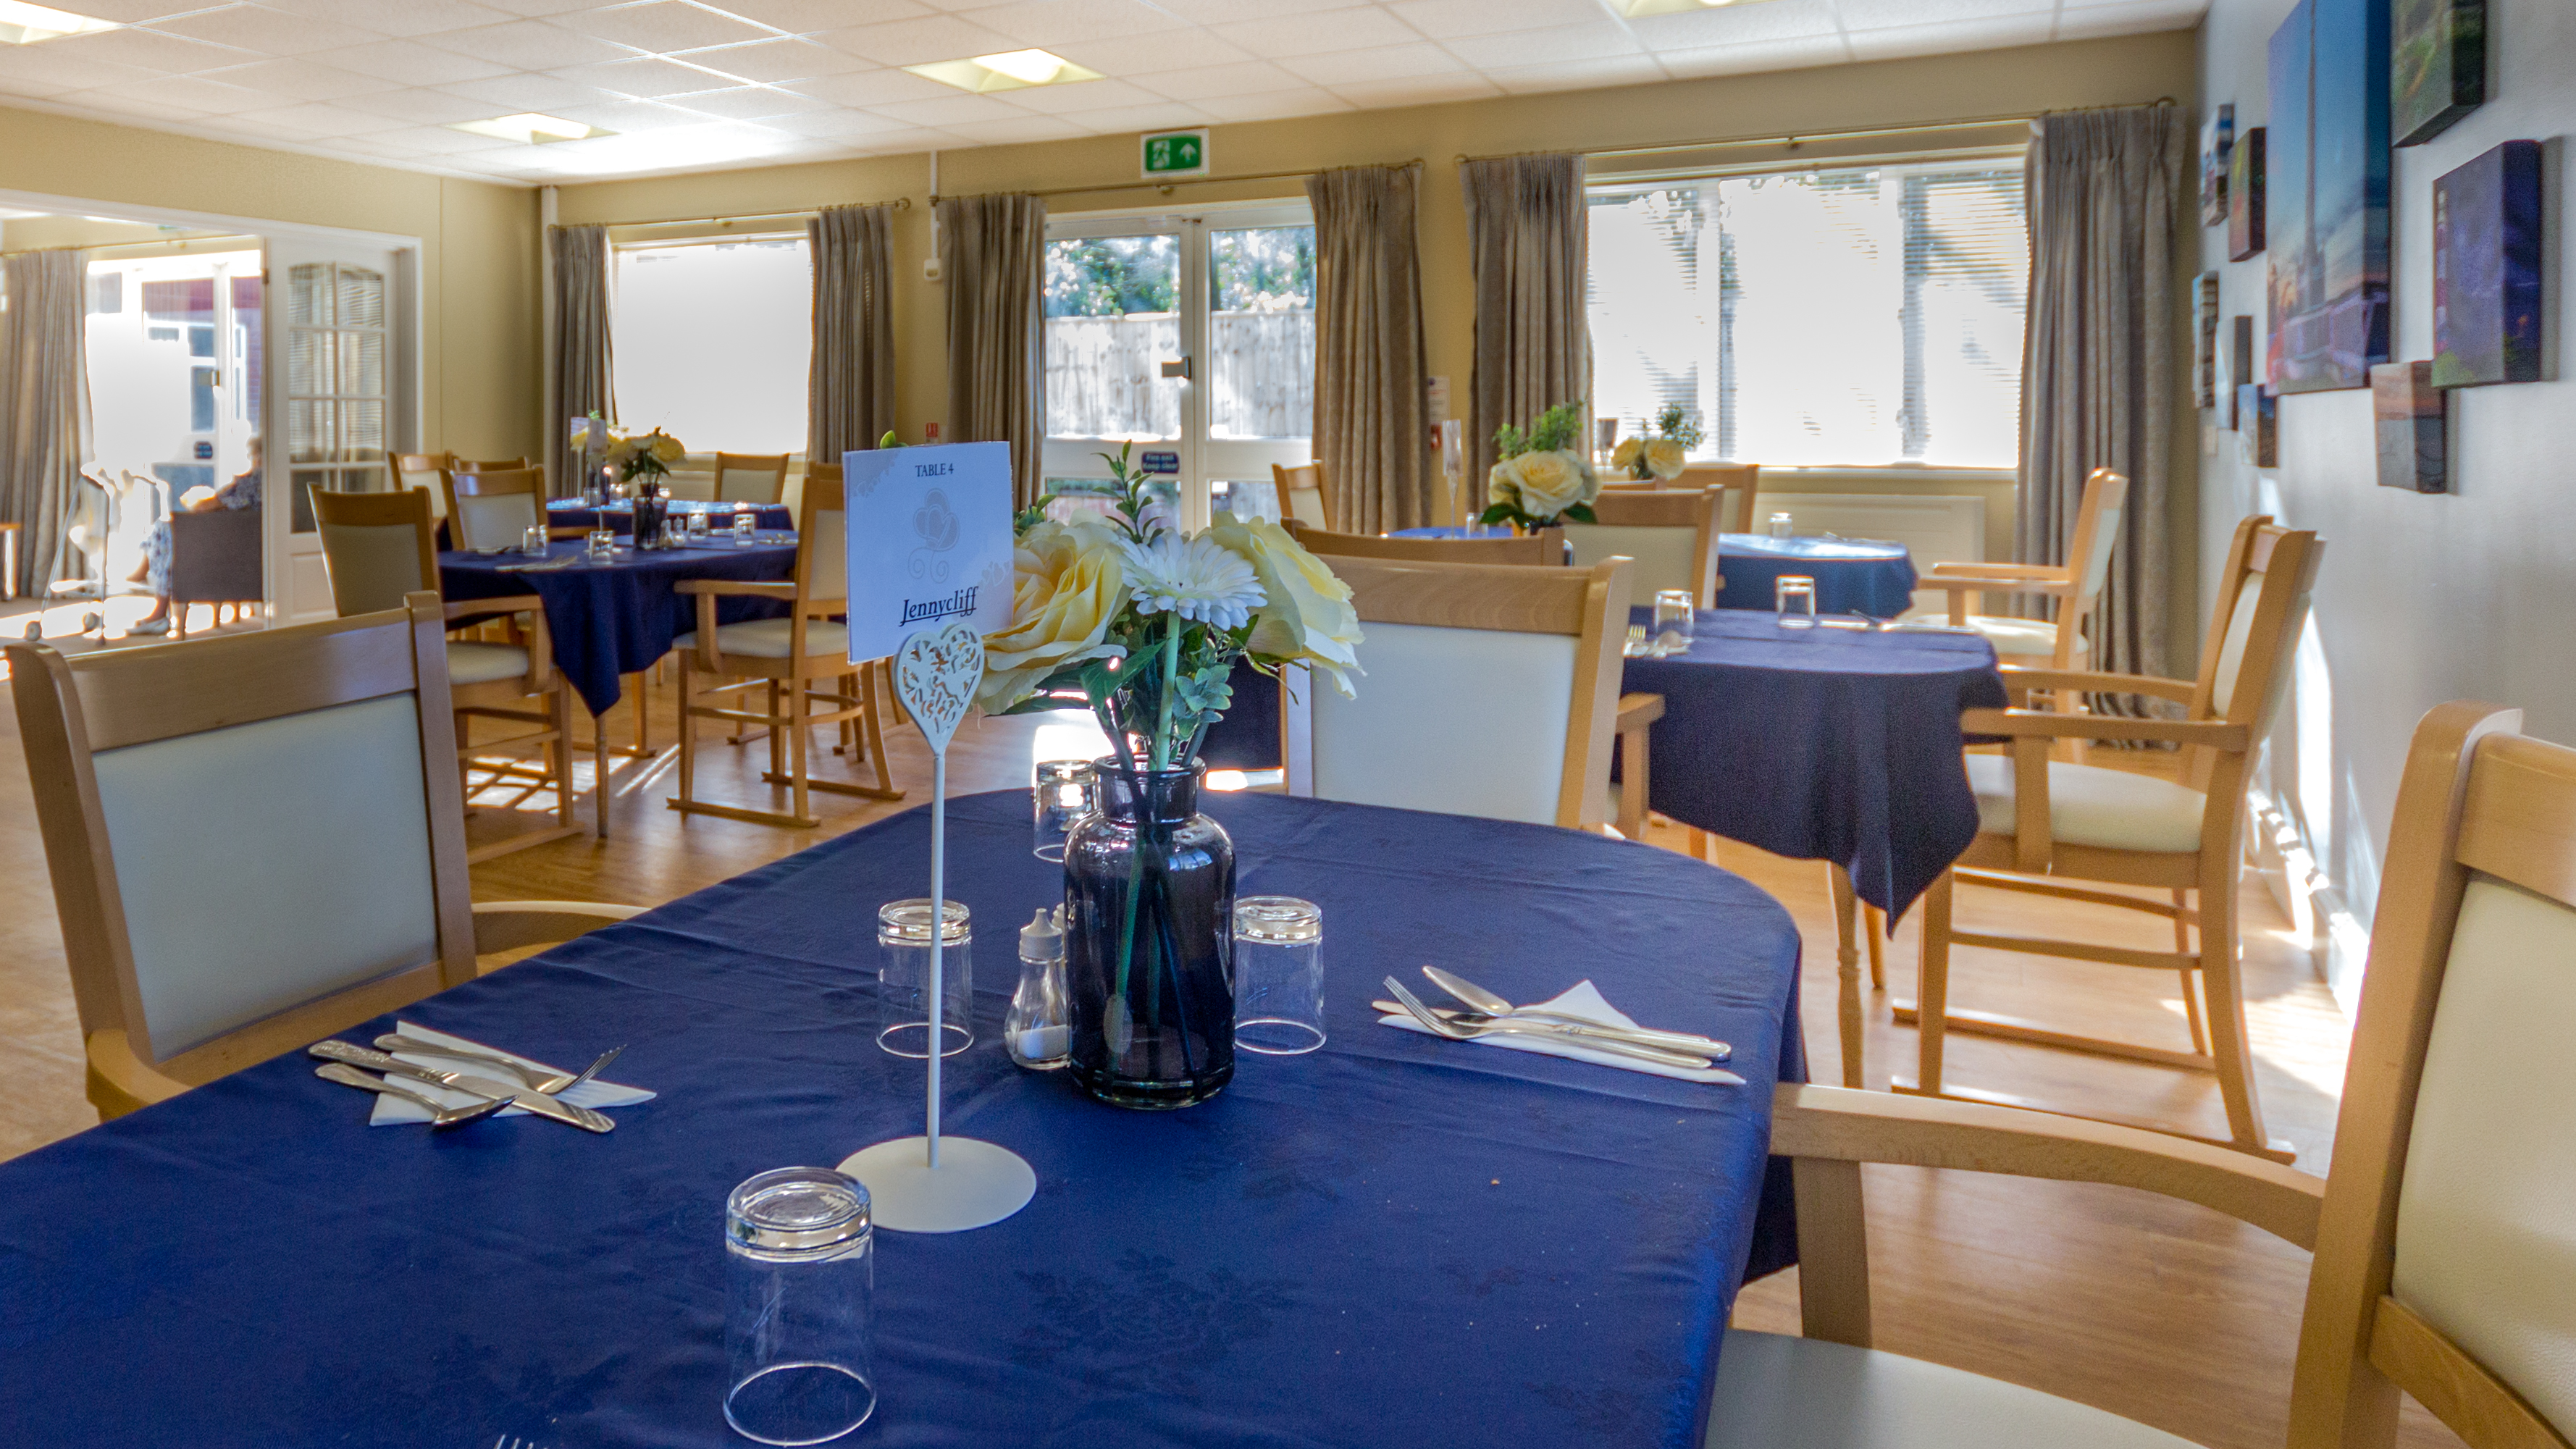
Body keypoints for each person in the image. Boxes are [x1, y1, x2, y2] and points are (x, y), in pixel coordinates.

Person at [129, 437, 261, 636]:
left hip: (220, 547)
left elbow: (205, 507)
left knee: (165, 530)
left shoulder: (251, 482)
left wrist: (211, 498)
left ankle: (158, 608)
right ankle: (145, 576)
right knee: (167, 533)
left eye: (252, 455)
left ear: (261, 456)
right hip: (243, 547)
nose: (251, 460)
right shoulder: (273, 484)